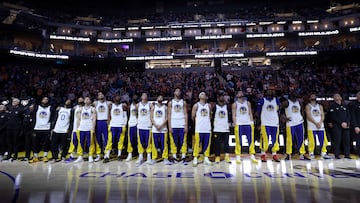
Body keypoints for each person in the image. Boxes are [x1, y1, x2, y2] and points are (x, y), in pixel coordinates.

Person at [232, 90, 258, 164]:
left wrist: (252, 122)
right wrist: (235, 124)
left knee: (250, 139)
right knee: (238, 140)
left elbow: (250, 113)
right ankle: (238, 156)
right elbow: (233, 115)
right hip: (239, 124)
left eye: (241, 92)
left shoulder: (248, 103)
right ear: (237, 95)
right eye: (239, 92)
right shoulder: (235, 104)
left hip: (248, 123)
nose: (240, 93)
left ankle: (252, 155)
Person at [282, 92, 309, 160]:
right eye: (292, 95)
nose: (294, 96)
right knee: (289, 140)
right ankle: (288, 154)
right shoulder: (286, 102)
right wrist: (283, 118)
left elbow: (302, 110)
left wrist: (301, 117)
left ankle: (302, 154)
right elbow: (280, 110)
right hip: (290, 123)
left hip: (299, 123)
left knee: (301, 139)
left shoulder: (299, 102)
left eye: (295, 95)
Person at [256, 89, 281, 162]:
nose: (270, 92)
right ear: (265, 92)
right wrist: (259, 122)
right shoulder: (262, 100)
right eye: (268, 91)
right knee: (265, 139)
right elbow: (258, 111)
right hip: (265, 123)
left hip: (275, 123)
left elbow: (279, 110)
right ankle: (263, 155)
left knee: (275, 140)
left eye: (272, 91)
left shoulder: (276, 100)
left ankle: (274, 155)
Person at [29, 97, 55, 163]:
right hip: (37, 128)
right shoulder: (37, 107)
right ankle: (35, 157)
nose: (45, 100)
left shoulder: (51, 108)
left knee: (46, 143)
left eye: (47, 99)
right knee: (35, 144)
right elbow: (33, 116)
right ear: (41, 100)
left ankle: (45, 156)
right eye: (44, 99)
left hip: (46, 128)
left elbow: (53, 118)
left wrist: (51, 127)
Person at [305, 93, 331, 160]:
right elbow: (308, 116)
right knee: (311, 141)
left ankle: (323, 153)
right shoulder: (308, 106)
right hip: (312, 126)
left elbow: (322, 115)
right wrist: (316, 123)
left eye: (314, 96)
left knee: (323, 140)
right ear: (309, 98)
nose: (313, 97)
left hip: (320, 126)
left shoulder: (320, 106)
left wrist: (320, 122)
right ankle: (311, 153)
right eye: (312, 96)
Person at [103, 95, 128, 163]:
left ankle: (119, 155)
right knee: (110, 141)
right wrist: (109, 124)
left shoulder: (123, 106)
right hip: (113, 125)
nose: (117, 97)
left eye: (118, 97)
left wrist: (124, 125)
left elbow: (125, 116)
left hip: (121, 125)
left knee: (121, 141)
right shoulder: (111, 106)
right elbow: (108, 116)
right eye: (116, 97)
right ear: (113, 99)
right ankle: (107, 156)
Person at [192, 92, 212, 166]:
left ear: (206, 97)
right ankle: (195, 158)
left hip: (207, 127)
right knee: (197, 143)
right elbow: (192, 116)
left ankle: (206, 158)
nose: (203, 94)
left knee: (207, 144)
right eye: (202, 94)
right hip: (199, 128)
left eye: (204, 94)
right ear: (199, 96)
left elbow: (210, 116)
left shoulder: (209, 105)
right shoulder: (196, 105)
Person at [167, 88, 188, 162]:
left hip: (182, 124)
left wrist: (186, 125)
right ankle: (174, 156)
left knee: (183, 140)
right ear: (174, 92)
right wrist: (169, 126)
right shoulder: (171, 103)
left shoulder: (183, 102)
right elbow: (169, 115)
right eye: (176, 91)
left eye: (179, 91)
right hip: (173, 124)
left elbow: (185, 114)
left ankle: (183, 156)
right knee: (173, 141)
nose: (178, 92)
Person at [74, 96, 97, 163]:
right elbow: (78, 119)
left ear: (90, 101)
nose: (86, 100)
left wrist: (93, 128)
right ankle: (80, 156)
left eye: (88, 99)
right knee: (80, 143)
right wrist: (78, 127)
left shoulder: (93, 109)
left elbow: (94, 119)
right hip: (81, 128)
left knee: (90, 143)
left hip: (89, 128)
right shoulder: (80, 109)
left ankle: (90, 156)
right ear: (84, 101)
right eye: (85, 99)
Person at [328, 93, 351, 159]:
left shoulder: (345, 106)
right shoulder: (332, 106)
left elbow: (348, 115)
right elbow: (333, 116)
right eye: (335, 96)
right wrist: (341, 122)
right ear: (333, 98)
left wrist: (346, 122)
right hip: (337, 125)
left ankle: (347, 154)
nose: (337, 97)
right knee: (337, 140)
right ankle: (337, 154)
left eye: (338, 96)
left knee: (346, 140)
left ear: (341, 98)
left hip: (345, 125)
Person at [151, 95, 170, 165]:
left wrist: (161, 125)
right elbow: (151, 117)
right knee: (154, 144)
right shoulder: (153, 107)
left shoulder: (165, 107)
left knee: (164, 144)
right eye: (159, 97)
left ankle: (165, 158)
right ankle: (154, 158)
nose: (160, 98)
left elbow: (167, 118)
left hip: (163, 128)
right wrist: (155, 125)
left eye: (162, 97)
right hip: (155, 128)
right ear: (156, 99)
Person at [136, 93, 154, 165]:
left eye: (146, 95)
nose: (144, 96)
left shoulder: (150, 104)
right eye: (143, 95)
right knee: (140, 142)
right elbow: (137, 114)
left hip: (148, 125)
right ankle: (140, 156)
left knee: (148, 142)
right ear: (141, 97)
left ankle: (149, 157)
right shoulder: (138, 105)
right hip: (140, 125)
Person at [93, 92, 111, 162]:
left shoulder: (108, 103)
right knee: (98, 139)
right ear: (97, 97)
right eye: (99, 94)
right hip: (98, 122)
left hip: (105, 121)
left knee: (106, 138)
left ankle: (106, 153)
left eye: (102, 94)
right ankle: (98, 154)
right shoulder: (95, 103)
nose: (101, 95)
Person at [213, 93, 231, 164]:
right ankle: (217, 157)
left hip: (225, 128)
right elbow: (212, 117)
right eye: (220, 96)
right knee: (217, 144)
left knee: (226, 143)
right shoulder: (215, 107)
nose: (221, 98)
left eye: (222, 96)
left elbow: (230, 116)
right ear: (217, 99)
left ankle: (227, 156)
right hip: (217, 128)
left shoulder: (227, 107)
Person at [65, 97, 84, 162]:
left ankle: (80, 155)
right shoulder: (75, 108)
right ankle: (71, 155)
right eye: (79, 99)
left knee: (80, 142)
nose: (80, 100)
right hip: (75, 127)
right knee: (73, 141)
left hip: (82, 127)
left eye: (81, 99)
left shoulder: (86, 108)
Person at [125, 95, 138, 161]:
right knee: (130, 140)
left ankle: (139, 154)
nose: (134, 98)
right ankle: (129, 154)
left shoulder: (139, 105)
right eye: (133, 97)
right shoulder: (129, 106)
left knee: (138, 141)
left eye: (136, 97)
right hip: (131, 124)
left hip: (138, 124)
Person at [349, 91, 360, 158]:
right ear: (357, 96)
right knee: (358, 140)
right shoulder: (354, 104)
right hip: (358, 125)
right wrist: (355, 126)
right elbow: (352, 116)